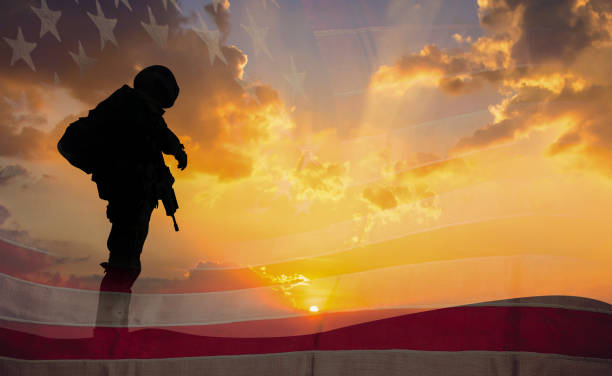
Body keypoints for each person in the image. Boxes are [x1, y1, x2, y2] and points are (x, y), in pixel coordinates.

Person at [88, 65, 187, 291]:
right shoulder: (138, 109)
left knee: (125, 259)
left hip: (128, 192)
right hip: (131, 193)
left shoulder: (126, 106)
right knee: (125, 262)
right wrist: (178, 152)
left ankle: (113, 319)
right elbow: (162, 135)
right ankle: (111, 322)